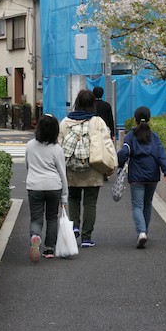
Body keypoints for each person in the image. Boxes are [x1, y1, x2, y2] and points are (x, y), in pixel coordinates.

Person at [58, 89, 115, 247]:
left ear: (77, 103)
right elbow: (107, 144)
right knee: (90, 202)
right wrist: (111, 164)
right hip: (93, 168)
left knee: (73, 198)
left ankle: (74, 226)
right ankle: (86, 238)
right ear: (92, 104)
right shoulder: (98, 122)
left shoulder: (65, 122)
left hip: (71, 168)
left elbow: (59, 144)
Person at [117, 106, 166, 249]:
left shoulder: (130, 136)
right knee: (147, 204)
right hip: (152, 175)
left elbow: (123, 153)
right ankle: (144, 232)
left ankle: (141, 232)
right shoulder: (154, 137)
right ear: (149, 120)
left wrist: (120, 165)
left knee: (137, 205)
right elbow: (162, 155)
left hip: (137, 176)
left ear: (135, 120)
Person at [25, 114, 69, 261]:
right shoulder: (57, 149)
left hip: (34, 186)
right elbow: (62, 173)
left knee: (36, 218)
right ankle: (49, 248)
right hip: (53, 186)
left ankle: (35, 236)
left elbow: (27, 165)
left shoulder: (30, 145)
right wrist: (64, 197)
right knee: (51, 217)